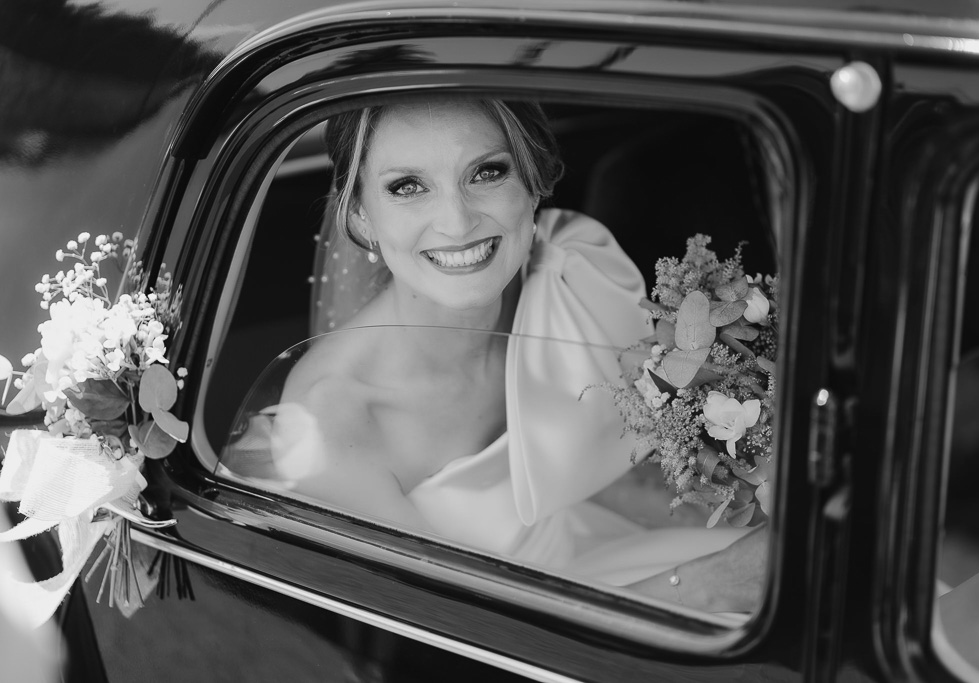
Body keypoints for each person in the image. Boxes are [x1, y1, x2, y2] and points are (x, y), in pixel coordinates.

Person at [227, 98, 763, 612]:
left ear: (532, 185)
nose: (457, 223)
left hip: (612, 552)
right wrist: (712, 585)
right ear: (361, 216)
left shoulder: (570, 275)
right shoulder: (335, 424)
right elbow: (461, 631)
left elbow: (657, 432)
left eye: (486, 173)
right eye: (407, 186)